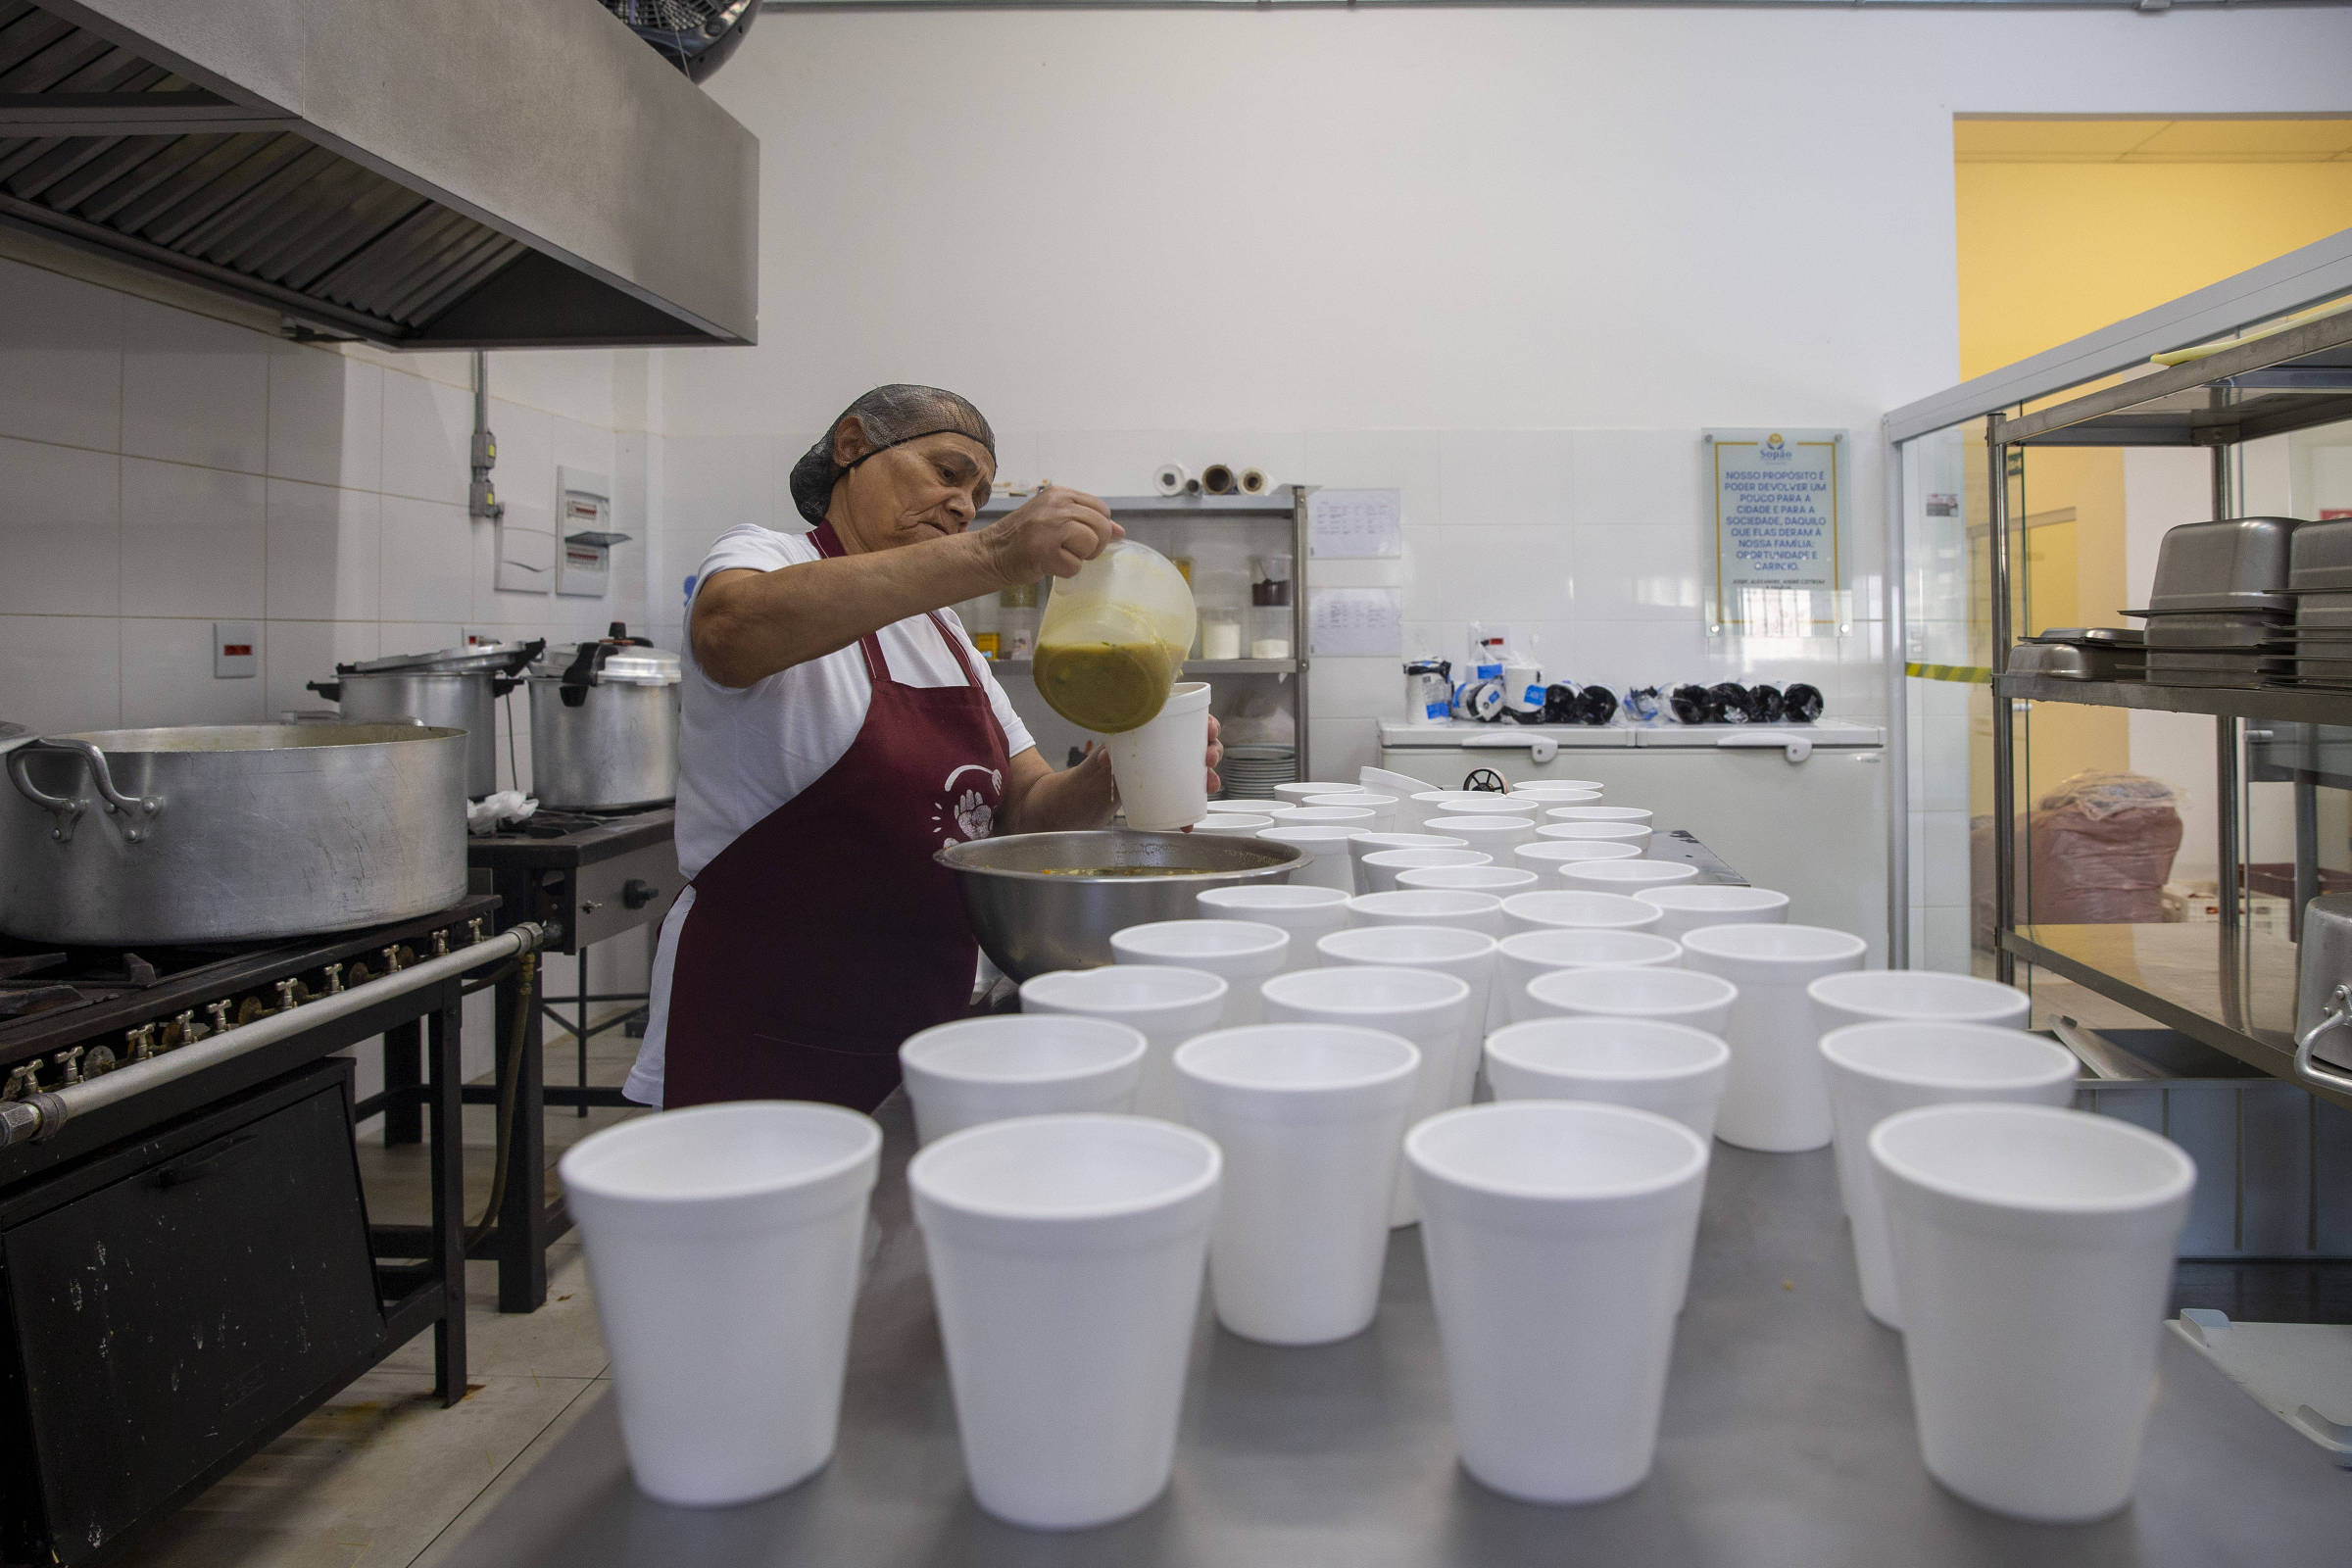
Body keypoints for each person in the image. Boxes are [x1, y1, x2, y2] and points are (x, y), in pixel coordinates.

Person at [623, 384, 1220, 1112]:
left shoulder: (946, 634)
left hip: (921, 1011)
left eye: (979, 493)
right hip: (772, 1022)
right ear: (852, 446)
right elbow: (728, 632)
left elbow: (1024, 813)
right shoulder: (763, 556)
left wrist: (1114, 774)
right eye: (947, 473)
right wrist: (997, 554)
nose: (966, 505)